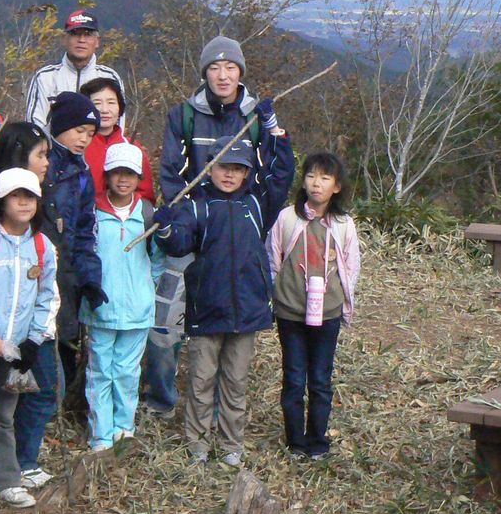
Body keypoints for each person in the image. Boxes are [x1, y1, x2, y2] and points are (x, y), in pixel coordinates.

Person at [145, 36, 274, 419]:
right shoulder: (183, 116)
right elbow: (172, 174)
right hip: (190, 230)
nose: (222, 75)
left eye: (230, 67)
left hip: (232, 235)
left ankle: (218, 412)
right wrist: (191, 219)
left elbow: (266, 178)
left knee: (226, 322)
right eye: (214, 68)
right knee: (166, 322)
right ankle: (162, 401)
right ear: (204, 73)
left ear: (240, 72)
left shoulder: (254, 117)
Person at [153, 124, 294, 466]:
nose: (229, 174)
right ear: (209, 166)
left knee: (235, 382)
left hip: (247, 309)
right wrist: (168, 227)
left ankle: (232, 444)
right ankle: (197, 445)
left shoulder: (257, 203)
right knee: (201, 381)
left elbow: (281, 175)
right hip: (206, 308)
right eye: (222, 166)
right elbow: (180, 243)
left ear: (247, 172)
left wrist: (277, 134)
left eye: (237, 168)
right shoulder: (197, 204)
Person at [15, 93, 105, 488]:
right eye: (78, 130)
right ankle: (19, 450)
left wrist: (90, 277)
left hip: (63, 273)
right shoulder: (36, 163)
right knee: (26, 359)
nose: (84, 138)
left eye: (90, 132)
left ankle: (36, 442)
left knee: (59, 349)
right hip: (27, 273)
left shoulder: (81, 173)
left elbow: (84, 231)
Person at [0, 168, 60, 510]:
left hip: (19, 348)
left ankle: (7, 480)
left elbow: (48, 295)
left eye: (30, 196)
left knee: (5, 414)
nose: (24, 203)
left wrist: (33, 341)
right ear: (1, 200)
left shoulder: (42, 245)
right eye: (17, 196)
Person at [268, 152, 359, 461]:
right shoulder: (287, 218)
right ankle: (295, 441)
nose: (315, 184)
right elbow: (273, 259)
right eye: (310, 176)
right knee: (294, 377)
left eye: (324, 178)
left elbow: (352, 266)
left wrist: (343, 300)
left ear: (336, 186)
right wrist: (279, 293)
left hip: (328, 312)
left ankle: (317, 441)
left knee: (320, 379)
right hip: (290, 311)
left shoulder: (344, 224)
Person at [80, 143, 163, 451]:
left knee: (128, 372)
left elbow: (158, 257)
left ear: (138, 176)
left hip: (138, 307)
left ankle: (123, 429)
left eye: (130, 174)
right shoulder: (92, 209)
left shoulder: (147, 211)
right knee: (100, 370)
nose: (123, 180)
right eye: (117, 173)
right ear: (107, 175)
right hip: (101, 305)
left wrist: (147, 285)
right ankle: (101, 435)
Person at [24, 9, 125, 129]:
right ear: (64, 39)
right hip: (52, 147)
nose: (81, 40)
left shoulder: (109, 77)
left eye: (87, 34)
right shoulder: (45, 77)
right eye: (75, 33)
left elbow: (116, 127)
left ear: (97, 42)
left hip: (100, 147)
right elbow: (35, 127)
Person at [79, 77, 155, 202]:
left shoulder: (132, 147)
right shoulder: (78, 145)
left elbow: (145, 196)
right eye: (97, 103)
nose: (104, 110)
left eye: (111, 102)